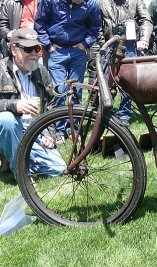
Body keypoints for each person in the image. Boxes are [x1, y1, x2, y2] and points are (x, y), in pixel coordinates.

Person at [0, 28, 65, 177]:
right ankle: (22, 174)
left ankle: (14, 160)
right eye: (28, 49)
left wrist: (50, 133)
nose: (34, 54)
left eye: (36, 49)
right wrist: (14, 105)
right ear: (13, 49)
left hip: (33, 131)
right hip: (8, 129)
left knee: (59, 169)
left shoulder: (41, 71)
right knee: (6, 119)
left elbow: (50, 107)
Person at [34, 0, 101, 108]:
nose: (82, 1)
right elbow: (40, 24)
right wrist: (49, 45)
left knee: (76, 90)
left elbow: (95, 27)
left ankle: (74, 123)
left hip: (78, 51)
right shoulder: (50, 1)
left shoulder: (91, 3)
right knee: (58, 91)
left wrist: (85, 44)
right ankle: (59, 123)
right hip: (57, 51)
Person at [96, 0, 153, 125]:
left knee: (128, 83)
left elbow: (146, 20)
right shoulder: (101, 2)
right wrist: (103, 43)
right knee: (106, 82)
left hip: (130, 45)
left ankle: (124, 115)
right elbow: (97, 25)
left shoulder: (136, 1)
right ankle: (106, 113)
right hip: (109, 44)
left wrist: (144, 39)